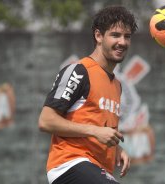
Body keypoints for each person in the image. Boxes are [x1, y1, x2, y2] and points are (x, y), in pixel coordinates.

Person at [38, 5, 138, 184]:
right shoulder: (79, 71)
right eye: (115, 35)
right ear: (98, 36)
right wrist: (94, 131)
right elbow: (46, 120)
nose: (122, 42)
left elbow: (99, 126)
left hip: (97, 169)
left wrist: (116, 149)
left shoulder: (117, 85)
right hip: (69, 164)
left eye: (127, 36)